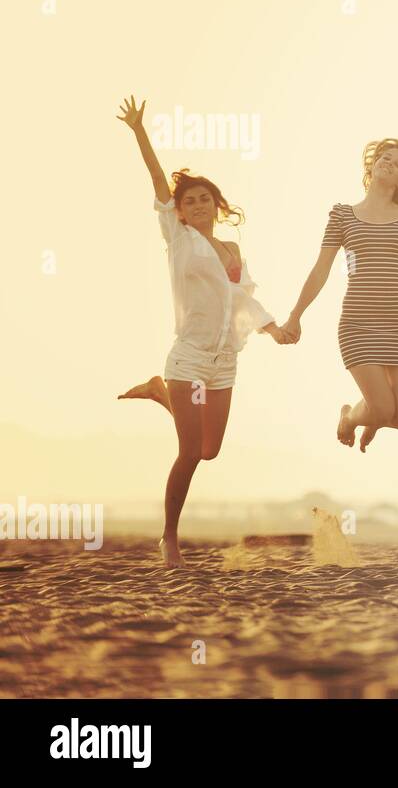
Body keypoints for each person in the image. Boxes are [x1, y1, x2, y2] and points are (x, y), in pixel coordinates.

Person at [115, 95, 289, 568]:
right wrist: (139, 132)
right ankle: (169, 538)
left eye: (203, 198)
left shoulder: (231, 249)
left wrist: (273, 328)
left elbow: (242, 300)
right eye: (188, 201)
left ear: (216, 205)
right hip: (188, 357)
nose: (195, 204)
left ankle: (158, 393)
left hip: (224, 362)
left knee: (210, 451)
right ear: (182, 211)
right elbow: (156, 180)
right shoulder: (179, 238)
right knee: (189, 451)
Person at [282, 138, 398, 452]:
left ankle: (373, 418)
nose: (388, 163)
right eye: (385, 158)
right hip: (358, 325)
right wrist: (295, 315)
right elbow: (321, 270)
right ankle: (351, 417)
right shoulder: (342, 216)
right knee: (381, 408)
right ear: (372, 165)